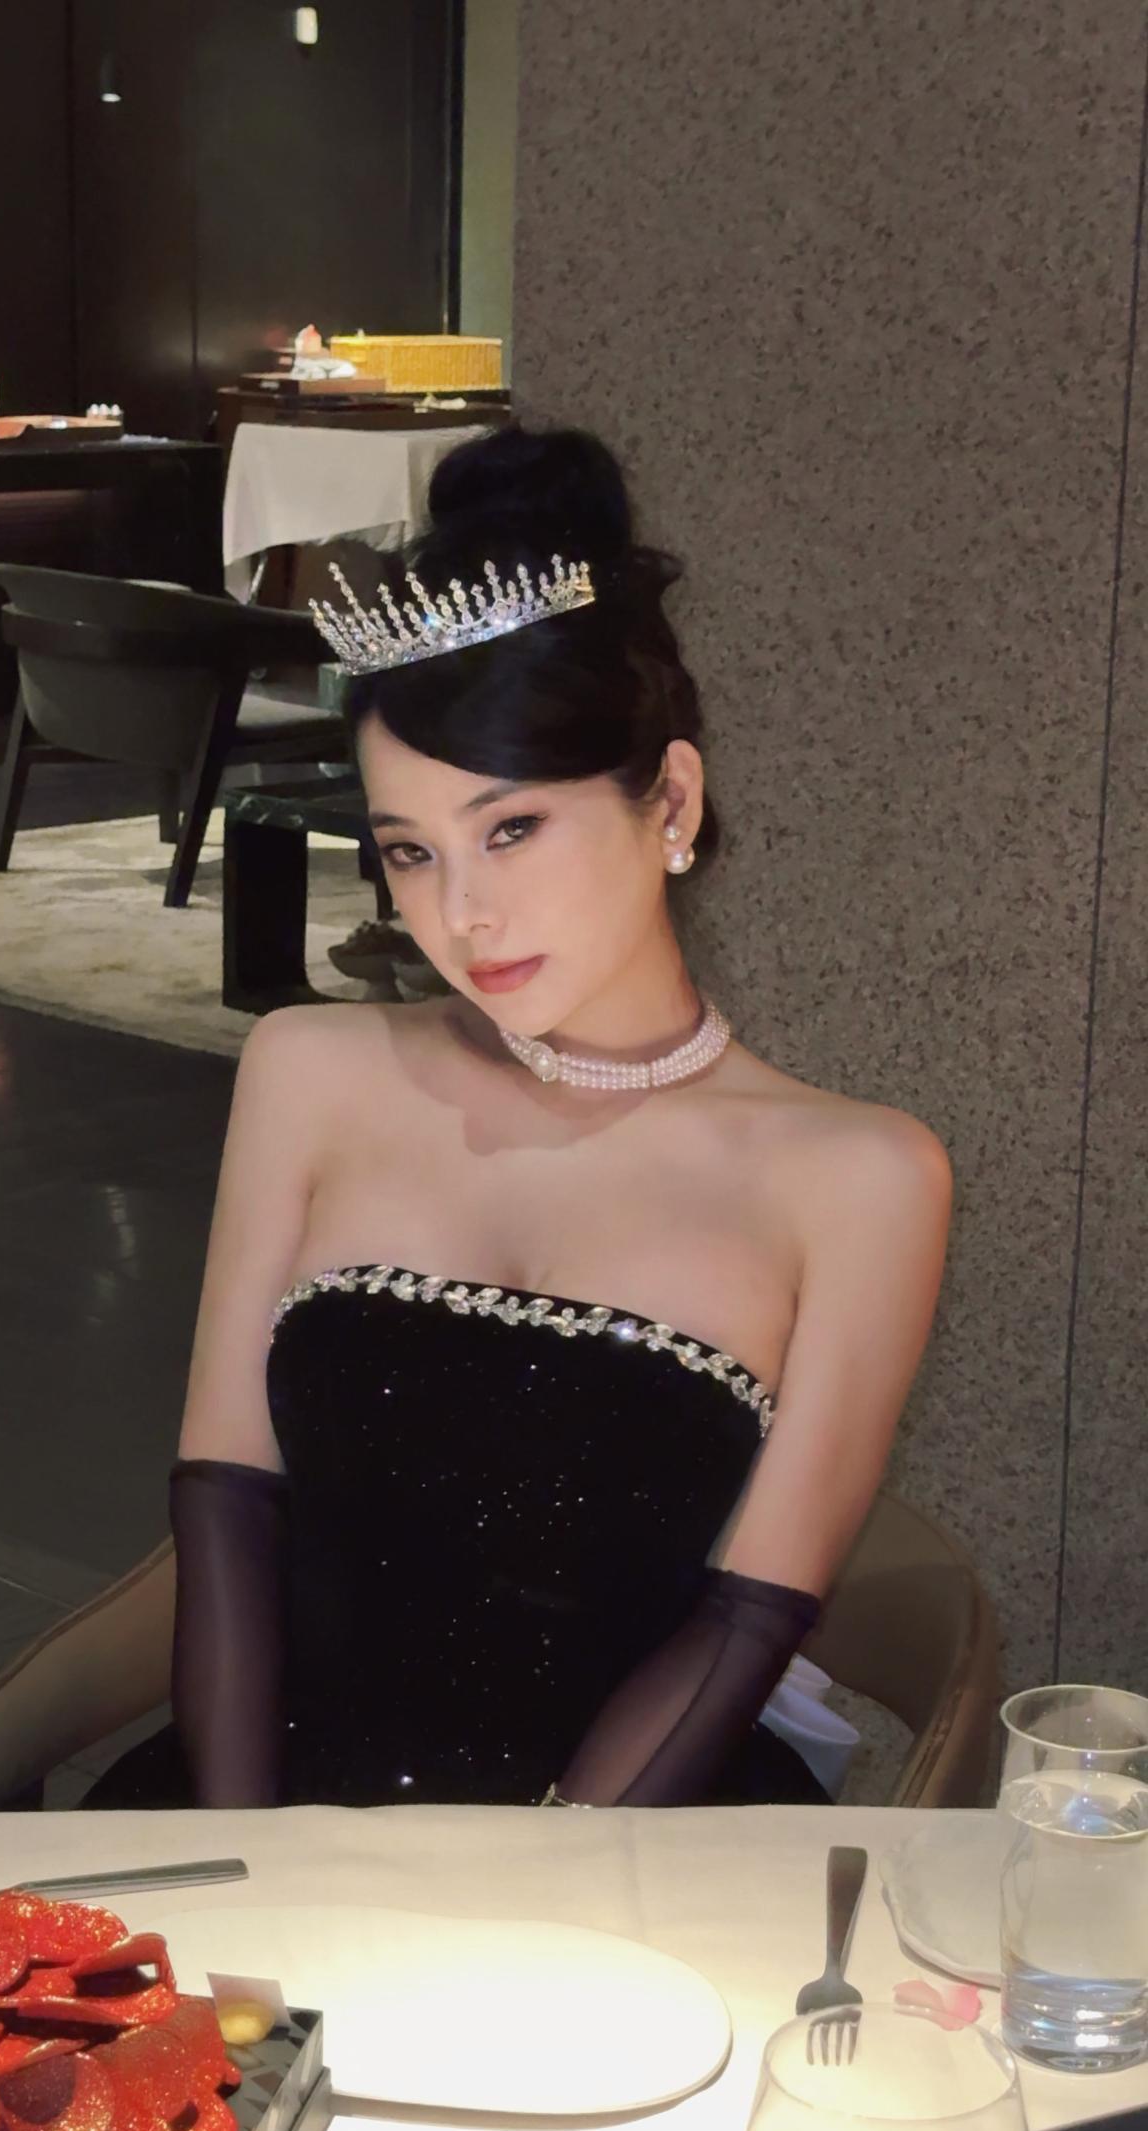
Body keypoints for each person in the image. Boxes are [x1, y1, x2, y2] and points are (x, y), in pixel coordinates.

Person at [87, 422, 952, 1811]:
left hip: (626, 1840)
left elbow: (744, 1625)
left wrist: (526, 1893)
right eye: (409, 852)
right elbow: (226, 1512)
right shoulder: (308, 1071)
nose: (462, 914)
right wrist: (259, 1876)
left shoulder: (861, 1177)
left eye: (511, 829)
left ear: (671, 800)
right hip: (267, 1803)